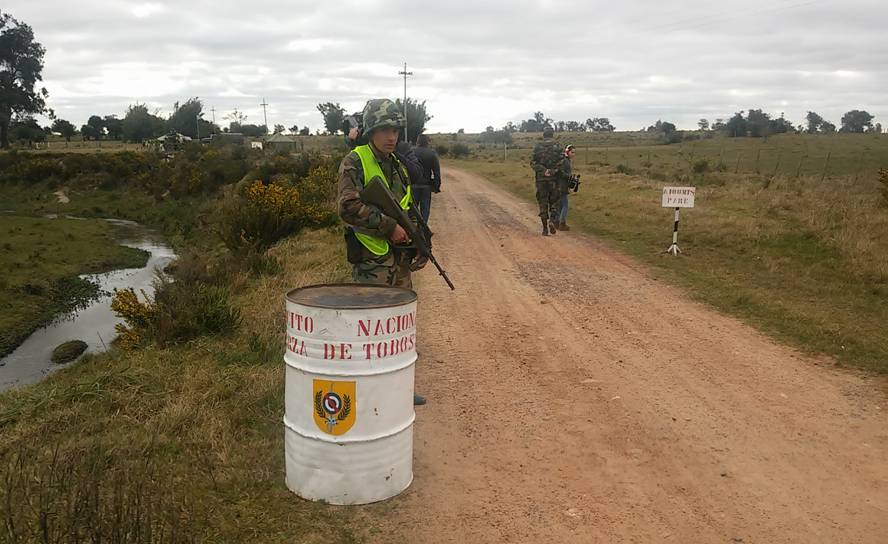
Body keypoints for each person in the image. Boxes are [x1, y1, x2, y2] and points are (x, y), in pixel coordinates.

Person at [337, 98, 427, 405]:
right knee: (370, 330)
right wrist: (388, 227)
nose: (391, 136)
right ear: (371, 131)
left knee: (399, 329)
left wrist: (419, 240)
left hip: (398, 262)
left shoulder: (398, 165)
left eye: (395, 130)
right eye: (384, 129)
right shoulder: (355, 160)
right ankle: (368, 394)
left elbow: (406, 209)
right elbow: (348, 208)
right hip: (372, 261)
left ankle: (399, 389)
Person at [530, 126, 563, 236]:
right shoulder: (557, 146)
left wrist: (544, 171)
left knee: (542, 203)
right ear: (552, 134)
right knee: (555, 202)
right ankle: (552, 221)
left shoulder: (538, 146)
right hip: (554, 179)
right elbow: (562, 161)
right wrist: (553, 171)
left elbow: (533, 162)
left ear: (543, 134)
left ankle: (544, 229)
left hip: (541, 180)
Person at [411, 134, 441, 223]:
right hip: (426, 186)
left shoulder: (411, 152)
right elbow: (436, 173)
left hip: (412, 185)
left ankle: (412, 229)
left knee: (412, 210)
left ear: (417, 142)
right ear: (427, 142)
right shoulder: (432, 154)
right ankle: (423, 229)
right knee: (425, 209)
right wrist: (436, 186)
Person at [555, 144, 575, 231]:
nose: (573, 154)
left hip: (559, 185)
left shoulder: (564, 160)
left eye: (574, 152)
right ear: (567, 152)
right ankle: (562, 223)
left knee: (560, 205)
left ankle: (556, 222)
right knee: (565, 205)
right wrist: (569, 177)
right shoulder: (565, 161)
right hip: (562, 185)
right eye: (572, 152)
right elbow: (561, 173)